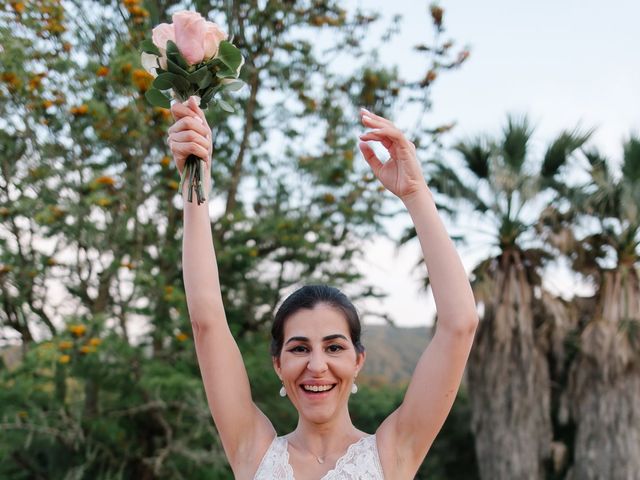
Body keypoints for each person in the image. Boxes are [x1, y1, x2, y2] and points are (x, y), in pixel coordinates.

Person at [167, 96, 478, 479]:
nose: (317, 366)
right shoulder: (253, 451)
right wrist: (195, 179)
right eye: (299, 348)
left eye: (334, 346)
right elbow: (206, 320)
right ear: (279, 365)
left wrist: (414, 192)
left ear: (358, 360)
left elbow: (460, 324)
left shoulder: (392, 454)